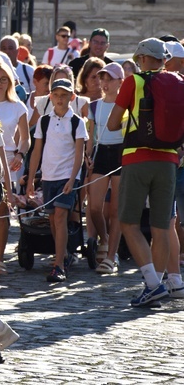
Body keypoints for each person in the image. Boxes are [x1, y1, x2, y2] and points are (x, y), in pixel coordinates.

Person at [107, 38, 179, 306]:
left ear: (141, 58)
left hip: (137, 158)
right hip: (169, 160)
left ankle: (152, 283)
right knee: (161, 227)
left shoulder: (134, 82)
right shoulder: (177, 82)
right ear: (164, 59)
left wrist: (131, 120)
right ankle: (156, 285)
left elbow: (113, 123)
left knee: (129, 222)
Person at [26, 78, 89, 282]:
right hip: (48, 177)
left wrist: (73, 179)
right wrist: (29, 181)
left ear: (72, 97)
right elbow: (36, 151)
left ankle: (59, 265)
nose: (60, 99)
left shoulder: (77, 122)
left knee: (61, 216)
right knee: (53, 219)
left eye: (64, 95)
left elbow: (79, 154)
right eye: (56, 95)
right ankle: (64, 255)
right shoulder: (44, 121)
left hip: (66, 177)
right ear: (51, 96)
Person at [0, 61, 29, 273]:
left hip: (9, 158)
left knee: (2, 208)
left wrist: (20, 153)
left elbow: (25, 138)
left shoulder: (17, 106)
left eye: (3, 79)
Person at [86, 62, 124, 274]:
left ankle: (111, 256)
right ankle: (105, 238)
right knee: (93, 207)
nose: (105, 83)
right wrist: (88, 156)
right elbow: (91, 136)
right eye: (103, 78)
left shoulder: (125, 104)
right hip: (101, 154)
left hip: (120, 152)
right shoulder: (94, 106)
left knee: (117, 210)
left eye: (110, 79)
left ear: (120, 81)